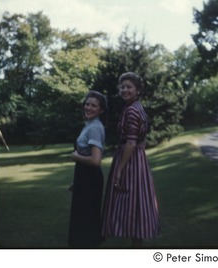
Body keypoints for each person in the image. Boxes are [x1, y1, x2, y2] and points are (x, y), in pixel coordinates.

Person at [102, 72, 159, 247]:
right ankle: (135, 242)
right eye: (122, 86)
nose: (125, 90)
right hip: (137, 160)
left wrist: (119, 170)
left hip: (131, 162)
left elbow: (131, 143)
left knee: (132, 200)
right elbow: (140, 139)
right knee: (136, 201)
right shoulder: (136, 107)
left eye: (129, 87)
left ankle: (134, 244)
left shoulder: (132, 111)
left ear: (138, 90)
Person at [68, 90, 108, 248]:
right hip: (84, 178)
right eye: (87, 104)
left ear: (101, 110)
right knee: (82, 222)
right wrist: (76, 181)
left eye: (94, 105)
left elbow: (96, 160)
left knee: (86, 224)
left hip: (90, 180)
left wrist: (76, 157)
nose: (88, 107)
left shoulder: (94, 128)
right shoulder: (89, 125)